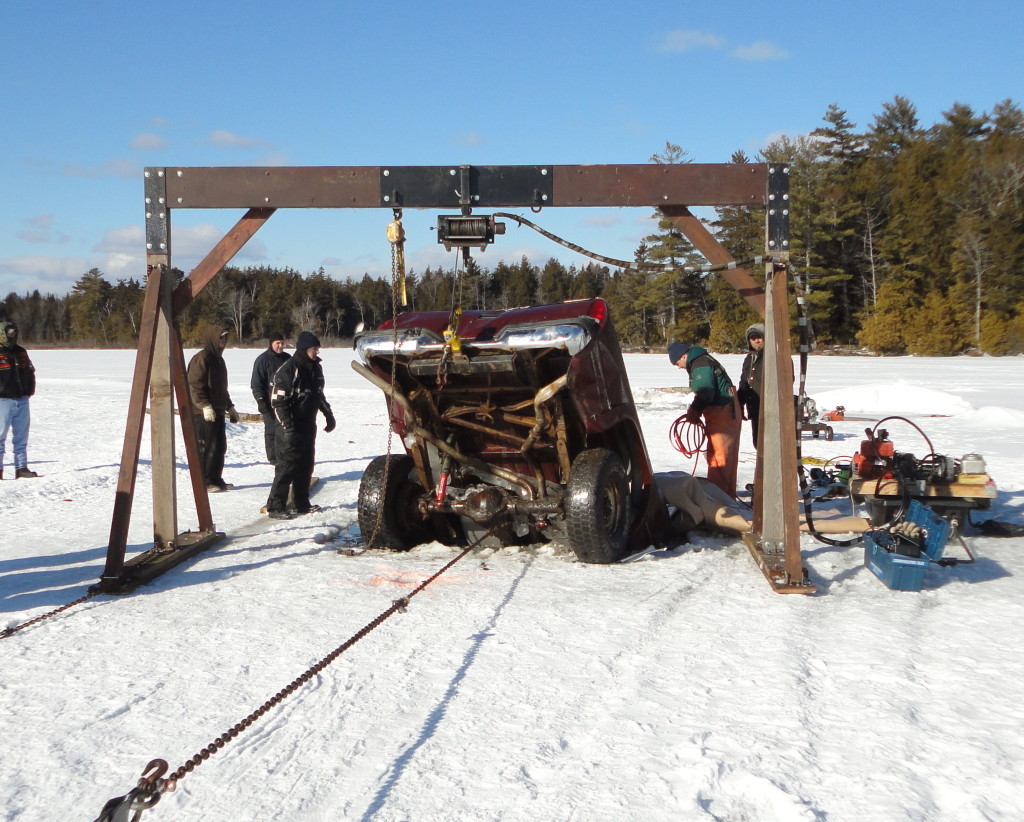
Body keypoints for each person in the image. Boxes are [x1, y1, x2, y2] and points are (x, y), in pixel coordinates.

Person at [265, 331, 336, 519]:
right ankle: (275, 506)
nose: (317, 352)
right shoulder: (289, 369)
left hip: (307, 424)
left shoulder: (315, 368)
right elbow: (277, 401)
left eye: (318, 349)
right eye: (314, 349)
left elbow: (318, 394)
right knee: (287, 466)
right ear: (305, 350)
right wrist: (287, 426)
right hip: (289, 427)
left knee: (305, 466)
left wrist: (328, 414)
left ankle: (301, 503)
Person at [668, 340, 742, 498]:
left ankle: (719, 499)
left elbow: (706, 391)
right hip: (725, 411)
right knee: (724, 456)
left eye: (676, 362)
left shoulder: (700, 363)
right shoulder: (702, 360)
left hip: (722, 412)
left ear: (683, 356)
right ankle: (726, 495)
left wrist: (694, 410)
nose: (677, 366)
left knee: (719, 457)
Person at [187, 324, 239, 492]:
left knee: (219, 446)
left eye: (226, 338)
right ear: (213, 338)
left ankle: (215, 478)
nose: (224, 341)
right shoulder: (201, 358)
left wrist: (230, 407)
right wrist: (205, 406)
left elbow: (221, 388)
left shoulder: (219, 360)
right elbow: (194, 385)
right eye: (221, 337)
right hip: (201, 412)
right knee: (206, 447)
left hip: (217, 410)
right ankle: (204, 481)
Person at [0, 321, 38, 479]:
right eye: (8, 332)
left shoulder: (21, 352)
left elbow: (30, 370)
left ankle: (21, 467)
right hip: (3, 401)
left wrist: (29, 390)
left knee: (21, 437)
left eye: (14, 332)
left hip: (22, 399)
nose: (11, 335)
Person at [250, 332, 291, 465]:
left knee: (287, 429)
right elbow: (256, 384)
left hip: (285, 401)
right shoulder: (262, 360)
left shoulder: (288, 359)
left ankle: (286, 454)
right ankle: (273, 457)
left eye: (282, 343)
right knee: (272, 430)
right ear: (271, 344)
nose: (280, 346)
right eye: (277, 343)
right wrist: (260, 400)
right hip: (269, 402)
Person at [737, 323, 765, 448]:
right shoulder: (749, 359)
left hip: (770, 412)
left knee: (770, 447)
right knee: (758, 444)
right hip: (754, 409)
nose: (757, 341)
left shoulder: (775, 357)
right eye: (753, 338)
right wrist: (739, 403)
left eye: (759, 337)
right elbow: (744, 383)